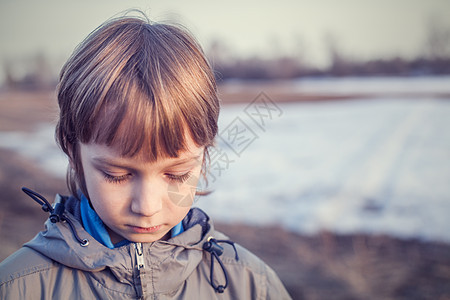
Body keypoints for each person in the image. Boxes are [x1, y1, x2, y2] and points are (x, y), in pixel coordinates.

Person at [0, 12, 291, 299]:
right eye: (118, 175)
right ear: (72, 148)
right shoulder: (18, 287)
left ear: (204, 154)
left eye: (176, 174)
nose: (147, 207)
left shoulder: (251, 285)